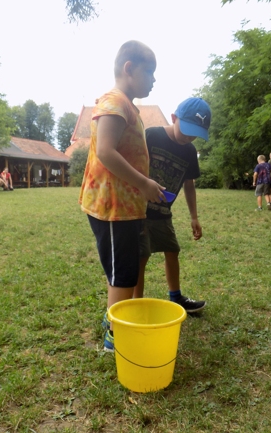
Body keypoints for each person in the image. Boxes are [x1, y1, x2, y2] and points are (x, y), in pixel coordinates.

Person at [78, 40, 164, 352]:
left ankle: (112, 318)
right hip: (114, 207)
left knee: (120, 269)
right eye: (150, 72)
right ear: (129, 69)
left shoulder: (126, 105)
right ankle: (116, 337)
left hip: (124, 208)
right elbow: (105, 152)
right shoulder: (114, 103)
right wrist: (143, 183)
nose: (154, 79)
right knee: (123, 274)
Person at [133, 97, 211, 314]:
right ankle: (135, 305)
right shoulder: (152, 136)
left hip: (163, 212)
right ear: (174, 118)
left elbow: (189, 185)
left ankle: (176, 297)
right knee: (142, 255)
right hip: (140, 211)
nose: (188, 137)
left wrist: (194, 217)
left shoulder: (189, 151)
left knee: (172, 250)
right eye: (186, 129)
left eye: (195, 133)